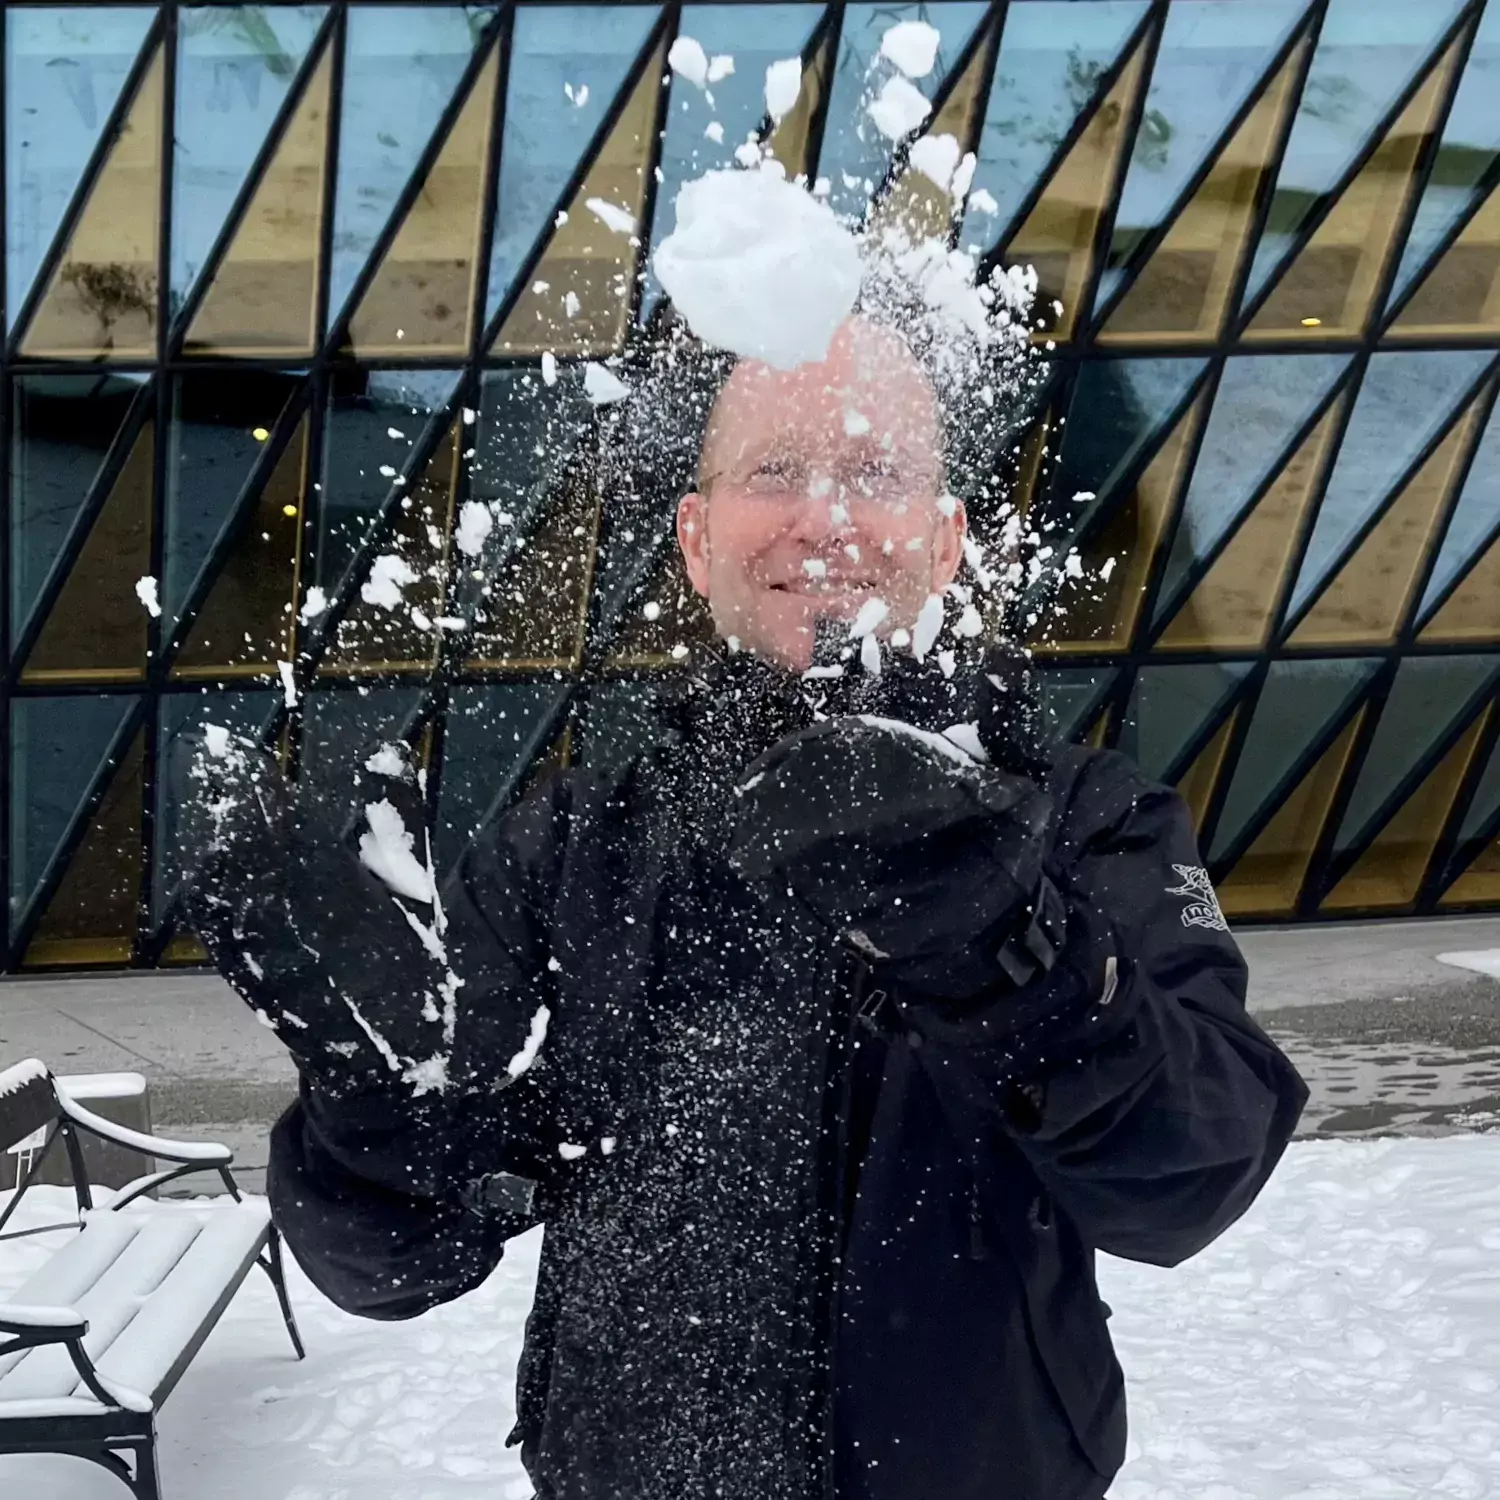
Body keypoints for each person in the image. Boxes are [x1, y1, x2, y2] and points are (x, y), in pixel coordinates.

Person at [187, 313, 1308, 1500]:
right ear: (695, 538)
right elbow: (392, 1266)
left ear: (944, 543)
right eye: (774, 470)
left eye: (874, 473)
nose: (822, 518)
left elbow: (1197, 1171)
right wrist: (369, 1118)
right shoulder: (569, 851)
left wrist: (1008, 953)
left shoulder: (1088, 821)